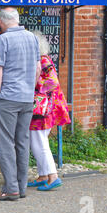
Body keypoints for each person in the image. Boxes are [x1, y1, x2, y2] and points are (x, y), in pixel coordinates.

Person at [0, 7, 41, 201]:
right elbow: (38, 68)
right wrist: (29, 88)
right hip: (27, 98)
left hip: (8, 99)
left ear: (1, 22)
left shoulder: (3, 39)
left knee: (6, 144)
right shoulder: (32, 38)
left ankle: (10, 189)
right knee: (22, 142)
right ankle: (21, 187)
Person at [28, 32, 71, 191]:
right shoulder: (43, 59)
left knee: (39, 142)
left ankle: (52, 176)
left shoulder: (43, 61)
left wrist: (36, 88)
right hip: (47, 108)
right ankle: (43, 176)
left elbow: (52, 82)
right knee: (38, 141)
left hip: (43, 109)